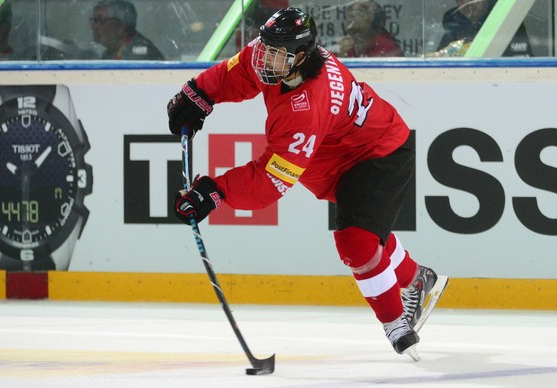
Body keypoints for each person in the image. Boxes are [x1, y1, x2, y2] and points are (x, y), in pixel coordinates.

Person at [167, 7, 448, 360]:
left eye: (276, 54)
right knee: (365, 229)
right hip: (334, 155)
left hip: (379, 152)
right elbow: (236, 74)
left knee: (355, 243)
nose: (265, 59)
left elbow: (269, 181)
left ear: (301, 56)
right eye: (265, 47)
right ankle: (416, 278)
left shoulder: (306, 107)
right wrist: (199, 93)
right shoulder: (272, 52)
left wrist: (215, 190)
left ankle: (396, 326)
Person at [436, 0, 533, 57]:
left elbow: (521, 60)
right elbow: (441, 60)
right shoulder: (453, 27)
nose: (467, 3)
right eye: (461, 0)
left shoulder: (505, 21)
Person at [90, 0, 166, 60]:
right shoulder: (110, 52)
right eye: (94, 20)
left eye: (100, 20)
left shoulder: (140, 55)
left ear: (121, 26)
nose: (93, 26)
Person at [337, 0, 403, 58]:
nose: (352, 14)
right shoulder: (346, 46)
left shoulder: (387, 48)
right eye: (350, 10)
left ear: (376, 21)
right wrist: (342, 57)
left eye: (361, 10)